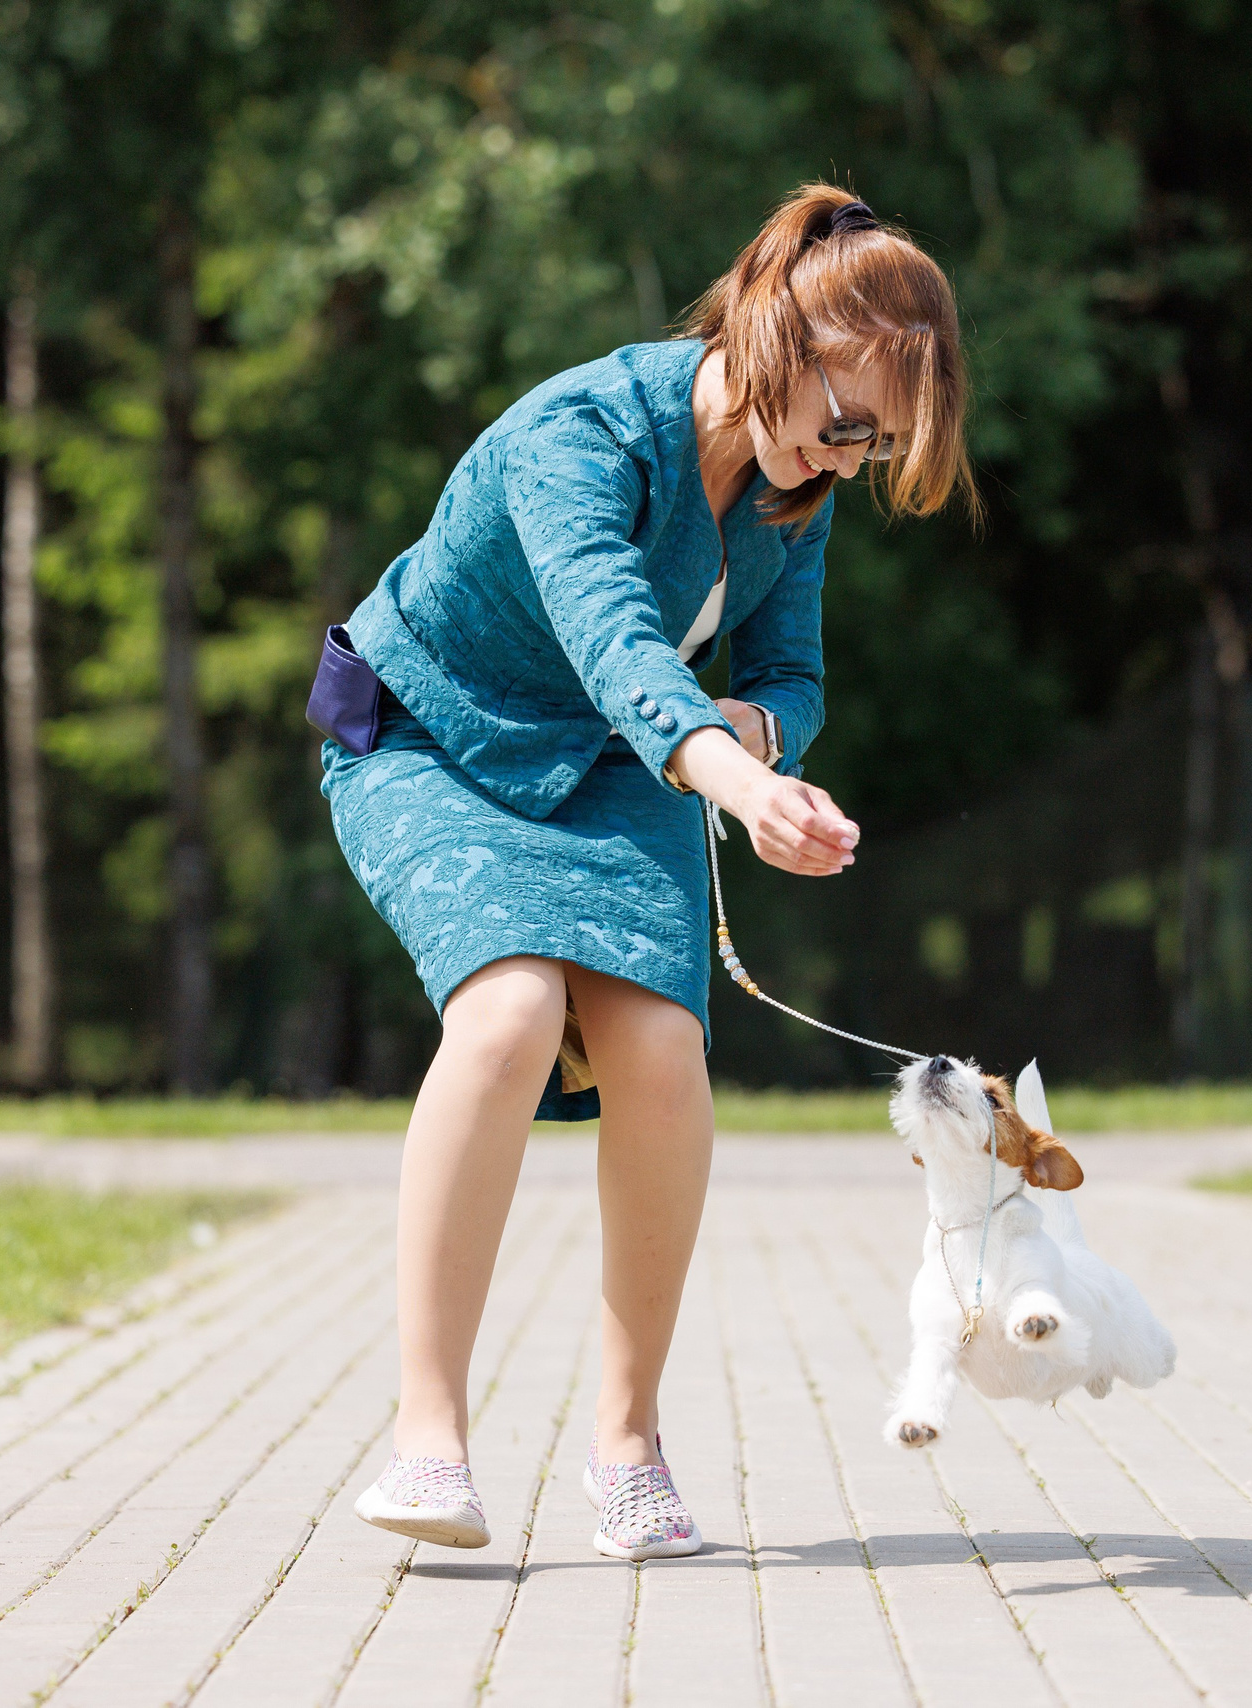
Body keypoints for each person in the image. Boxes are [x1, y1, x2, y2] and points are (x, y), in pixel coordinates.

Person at [318, 184, 975, 1561]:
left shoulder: (797, 491)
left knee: (663, 1054)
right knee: (507, 1014)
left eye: (875, 441)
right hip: (434, 738)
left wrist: (768, 744)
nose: (849, 459)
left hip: (636, 759)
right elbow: (613, 638)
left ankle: (628, 1445)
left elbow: (790, 670)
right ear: (776, 335)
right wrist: (735, 782)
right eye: (848, 421)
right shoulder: (581, 433)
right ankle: (429, 1439)